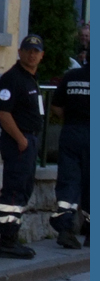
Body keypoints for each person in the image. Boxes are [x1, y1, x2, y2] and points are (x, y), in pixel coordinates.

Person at [0, 34, 46, 259]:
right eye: (28, 50)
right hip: (19, 143)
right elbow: (3, 112)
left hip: (29, 141)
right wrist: (21, 139)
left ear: (41, 56)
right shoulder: (12, 78)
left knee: (23, 189)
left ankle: (13, 238)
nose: (32, 54)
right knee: (14, 190)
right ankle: (7, 241)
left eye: (36, 51)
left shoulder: (30, 79)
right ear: (19, 52)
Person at [49, 59, 89, 248]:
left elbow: (56, 106)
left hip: (71, 132)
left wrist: (72, 118)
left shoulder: (71, 76)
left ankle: (65, 229)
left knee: (69, 181)